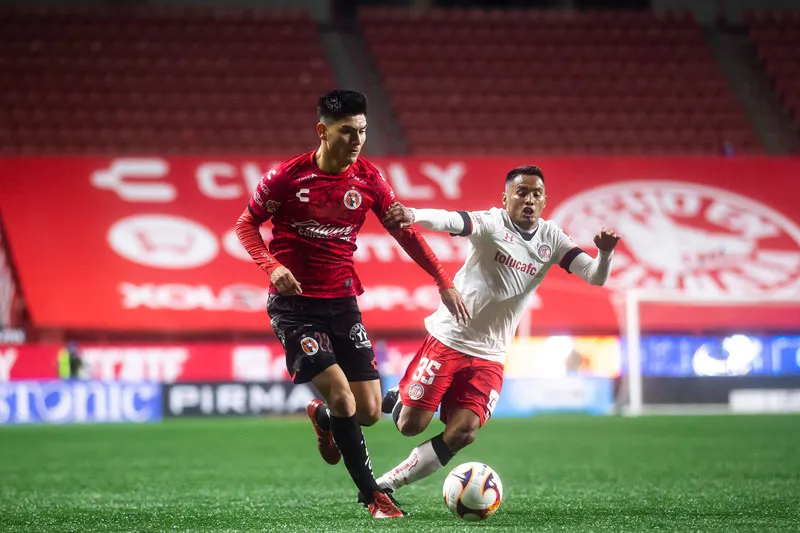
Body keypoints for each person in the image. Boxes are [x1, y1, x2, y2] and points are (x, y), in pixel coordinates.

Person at [235, 89, 469, 519]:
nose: (357, 140)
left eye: (362, 131)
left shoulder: (369, 179)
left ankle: (324, 420)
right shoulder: (287, 177)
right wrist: (271, 267)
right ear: (322, 132)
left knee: (367, 413)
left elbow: (405, 232)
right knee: (344, 398)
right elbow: (246, 224)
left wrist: (442, 279)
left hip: (343, 302)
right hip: (295, 306)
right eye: (347, 132)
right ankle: (372, 496)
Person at [376, 165, 620, 494]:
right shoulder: (493, 223)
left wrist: (604, 253)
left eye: (536, 194)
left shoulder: (552, 238)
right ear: (505, 198)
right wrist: (413, 214)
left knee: (464, 432)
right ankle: (396, 402)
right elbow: (453, 220)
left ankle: (386, 484)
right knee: (409, 425)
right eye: (521, 193)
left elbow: (595, 276)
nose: (529, 200)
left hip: (491, 354)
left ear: (544, 200)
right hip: (450, 338)